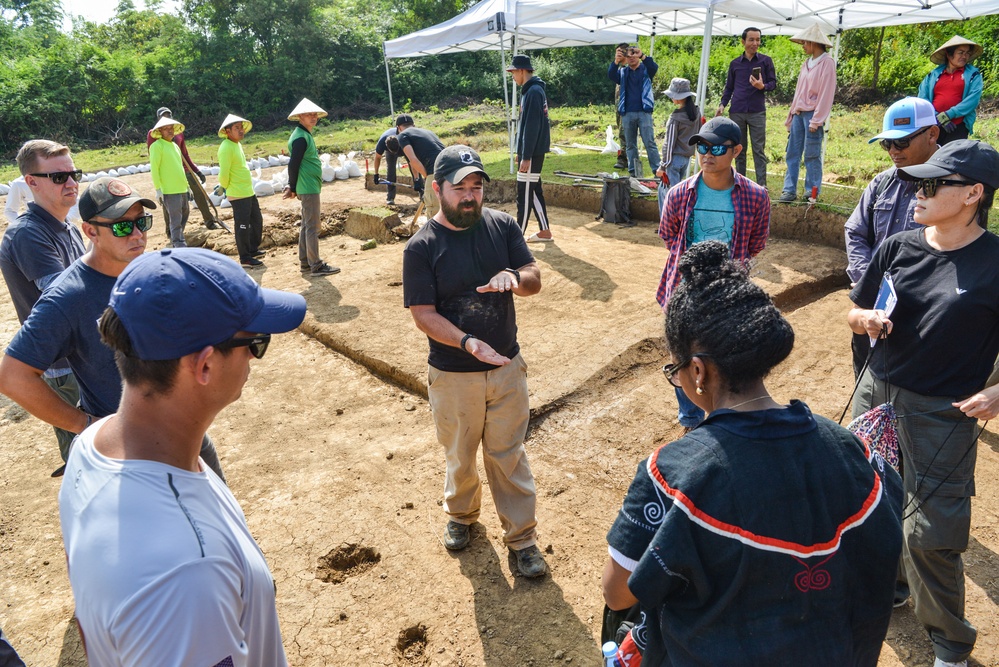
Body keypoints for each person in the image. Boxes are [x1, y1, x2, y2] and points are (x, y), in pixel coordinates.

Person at [605, 240, 902, 666]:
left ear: (698, 371)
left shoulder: (672, 473)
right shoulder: (853, 450)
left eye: (675, 371)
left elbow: (618, 593)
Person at [59, 246, 306, 665]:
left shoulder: (92, 446)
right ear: (204, 366)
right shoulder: (189, 574)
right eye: (255, 343)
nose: (253, 359)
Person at [849, 140, 999, 667]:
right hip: (877, 396)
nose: (917, 190)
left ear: (973, 195)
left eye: (934, 183)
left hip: (944, 415)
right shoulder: (898, 247)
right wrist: (864, 320)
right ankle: (891, 587)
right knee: (872, 503)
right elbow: (856, 310)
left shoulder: (996, 263)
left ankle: (950, 647)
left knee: (932, 535)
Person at [0, 177, 226, 480]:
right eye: (121, 226)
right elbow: (13, 376)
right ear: (91, 231)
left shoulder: (146, 270)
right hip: (132, 456)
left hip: (188, 432)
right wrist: (86, 424)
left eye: (141, 222)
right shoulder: (68, 297)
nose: (137, 235)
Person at [402, 145, 547, 578]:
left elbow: (534, 277)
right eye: (459, 187)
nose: (470, 195)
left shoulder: (501, 227)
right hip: (453, 375)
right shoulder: (421, 247)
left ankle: (522, 539)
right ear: (437, 189)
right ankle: (462, 516)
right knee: (460, 455)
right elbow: (423, 314)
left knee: (508, 455)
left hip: (506, 368)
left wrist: (515, 279)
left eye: (476, 187)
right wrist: (466, 342)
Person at [655, 117, 770, 430]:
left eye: (717, 148)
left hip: (729, 295)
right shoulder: (679, 195)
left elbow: (755, 244)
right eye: (702, 147)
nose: (707, 154)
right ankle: (691, 420)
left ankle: (720, 415)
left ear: (736, 151)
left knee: (726, 357)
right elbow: (669, 237)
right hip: (684, 290)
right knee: (684, 358)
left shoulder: (756, 197)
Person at [0, 139, 85, 471]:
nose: (72, 183)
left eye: (74, 174)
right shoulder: (27, 234)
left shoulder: (67, 228)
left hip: (83, 353)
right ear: (30, 183)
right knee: (85, 456)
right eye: (59, 177)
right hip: (64, 364)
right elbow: (67, 295)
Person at [844, 97, 940, 376]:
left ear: (932, 134)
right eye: (888, 144)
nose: (893, 151)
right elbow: (856, 231)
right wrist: (868, 282)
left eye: (902, 142)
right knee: (866, 382)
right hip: (873, 308)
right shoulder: (883, 182)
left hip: (922, 313)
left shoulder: (955, 187)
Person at [780, 23, 837, 203]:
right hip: (798, 114)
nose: (803, 45)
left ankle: (811, 192)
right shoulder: (806, 64)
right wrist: (791, 116)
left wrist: (817, 120)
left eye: (805, 42)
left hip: (812, 115)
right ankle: (789, 190)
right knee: (792, 153)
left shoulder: (827, 63)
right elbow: (798, 92)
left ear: (814, 43)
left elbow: (826, 93)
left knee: (811, 155)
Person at [283, 97, 340, 277]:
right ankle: (315, 265)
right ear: (300, 116)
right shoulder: (300, 138)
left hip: (308, 185)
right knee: (313, 227)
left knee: (307, 226)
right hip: (307, 187)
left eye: (314, 114)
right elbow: (293, 164)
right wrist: (291, 187)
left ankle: (305, 262)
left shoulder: (304, 134)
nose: (313, 117)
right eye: (309, 114)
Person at [716, 27, 776, 187]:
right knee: (738, 150)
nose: (755, 43)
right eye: (751, 39)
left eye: (758, 39)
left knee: (759, 150)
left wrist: (762, 86)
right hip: (737, 111)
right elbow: (729, 88)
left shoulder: (766, 61)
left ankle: (761, 186)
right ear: (743, 42)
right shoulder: (735, 64)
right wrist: (722, 104)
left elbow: (773, 83)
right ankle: (740, 185)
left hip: (757, 112)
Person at [145, 107, 218, 231]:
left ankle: (209, 221)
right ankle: (170, 231)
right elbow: (154, 156)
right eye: (163, 116)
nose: (166, 117)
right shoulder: (154, 134)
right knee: (169, 203)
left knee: (199, 193)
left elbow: (185, 154)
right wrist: (158, 188)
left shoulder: (177, 133)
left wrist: (197, 171)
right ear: (158, 118)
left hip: (184, 170)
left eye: (168, 115)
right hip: (168, 173)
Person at [507, 54, 553, 243]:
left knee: (523, 194)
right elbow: (526, 126)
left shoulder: (533, 92)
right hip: (530, 152)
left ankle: (517, 237)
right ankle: (544, 231)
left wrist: (526, 155)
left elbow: (532, 127)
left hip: (532, 153)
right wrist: (521, 152)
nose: (512, 76)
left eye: (513, 72)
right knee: (533, 191)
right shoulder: (530, 91)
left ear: (522, 70)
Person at [918, 36, 984, 146]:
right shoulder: (933, 75)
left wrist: (949, 114)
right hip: (933, 124)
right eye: (961, 52)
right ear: (949, 55)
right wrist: (936, 116)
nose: (965, 56)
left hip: (958, 125)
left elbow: (973, 99)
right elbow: (922, 98)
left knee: (953, 158)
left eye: (967, 53)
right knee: (932, 157)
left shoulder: (973, 75)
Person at [217, 114, 264, 268]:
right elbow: (224, 172)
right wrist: (223, 186)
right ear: (227, 131)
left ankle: (252, 249)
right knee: (242, 225)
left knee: (257, 221)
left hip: (247, 191)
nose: (241, 130)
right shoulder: (225, 147)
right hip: (237, 193)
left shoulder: (237, 144)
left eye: (241, 127)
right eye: (236, 128)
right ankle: (245, 257)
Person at [608, 44, 659, 178]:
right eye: (628, 56)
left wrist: (642, 55)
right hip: (627, 113)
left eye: (633, 54)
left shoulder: (646, 69)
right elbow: (611, 75)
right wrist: (616, 61)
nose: (631, 58)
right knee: (630, 145)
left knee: (649, 143)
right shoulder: (623, 72)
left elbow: (654, 67)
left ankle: (657, 171)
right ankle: (634, 172)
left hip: (644, 112)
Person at [655, 78, 701, 213]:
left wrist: (663, 165)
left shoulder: (675, 118)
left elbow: (669, 144)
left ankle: (669, 225)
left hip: (673, 160)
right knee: (672, 191)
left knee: (669, 194)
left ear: (678, 97)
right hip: (686, 159)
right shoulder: (696, 112)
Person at [149, 115, 191, 247]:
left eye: (171, 128)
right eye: (165, 129)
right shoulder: (157, 146)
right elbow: (154, 168)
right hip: (169, 190)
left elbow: (180, 168)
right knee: (175, 219)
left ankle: (177, 239)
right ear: (160, 131)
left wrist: (188, 186)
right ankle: (178, 243)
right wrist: (158, 189)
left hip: (181, 188)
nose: (169, 131)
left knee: (185, 213)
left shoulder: (175, 146)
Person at [391, 116, 445, 217]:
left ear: (398, 128)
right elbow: (413, 162)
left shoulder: (402, 136)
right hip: (451, 167)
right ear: (413, 125)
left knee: (434, 211)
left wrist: (426, 177)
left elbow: (413, 160)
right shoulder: (427, 132)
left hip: (434, 169)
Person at [373, 115, 417, 206]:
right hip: (391, 149)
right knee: (391, 170)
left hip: (405, 148)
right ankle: (390, 197)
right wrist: (376, 174)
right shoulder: (383, 142)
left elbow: (414, 162)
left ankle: (422, 193)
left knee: (414, 166)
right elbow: (377, 157)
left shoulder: (406, 138)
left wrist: (417, 180)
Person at [5, 175, 80, 224]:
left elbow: (75, 201)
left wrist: (62, 222)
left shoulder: (58, 177)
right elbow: (10, 211)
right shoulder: (19, 184)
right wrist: (25, 227)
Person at [611, 42, 631, 170]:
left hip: (628, 107)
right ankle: (625, 157)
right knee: (621, 132)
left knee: (625, 133)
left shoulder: (630, 68)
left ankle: (623, 159)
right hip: (619, 106)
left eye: (620, 52)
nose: (618, 54)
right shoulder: (619, 69)